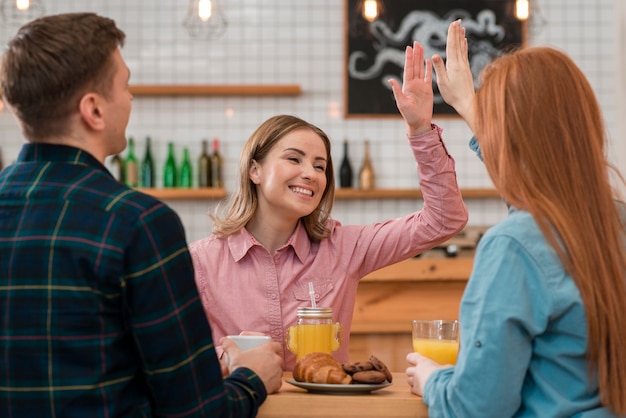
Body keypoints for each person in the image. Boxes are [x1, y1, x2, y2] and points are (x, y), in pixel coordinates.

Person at [0, 13, 283, 417]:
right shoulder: (138, 223)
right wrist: (249, 379)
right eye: (125, 85)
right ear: (94, 110)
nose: (131, 98)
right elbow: (195, 412)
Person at [189, 41, 469, 371]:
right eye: (294, 158)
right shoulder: (200, 262)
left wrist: (421, 130)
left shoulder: (344, 248)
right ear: (255, 170)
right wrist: (229, 358)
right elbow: (177, 357)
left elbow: (445, 219)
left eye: (320, 166)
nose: (310, 174)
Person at [405, 20, 626, 416]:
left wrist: (432, 379)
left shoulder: (514, 245)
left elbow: (475, 408)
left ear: (508, 138)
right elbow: (540, 193)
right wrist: (472, 106)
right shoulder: (613, 219)